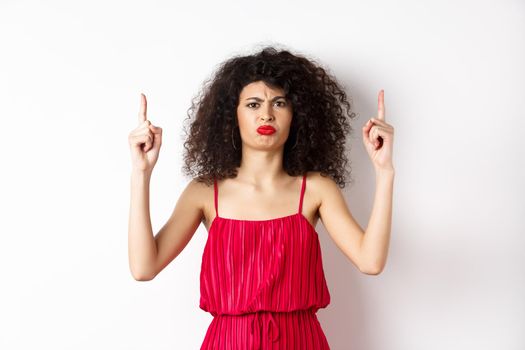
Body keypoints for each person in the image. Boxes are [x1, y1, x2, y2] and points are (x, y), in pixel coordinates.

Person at [127, 46, 395, 349]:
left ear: (297, 115)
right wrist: (141, 173)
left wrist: (384, 172)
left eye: (279, 103)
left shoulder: (317, 189)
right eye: (253, 104)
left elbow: (370, 262)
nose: (266, 114)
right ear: (233, 115)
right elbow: (143, 268)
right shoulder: (204, 193)